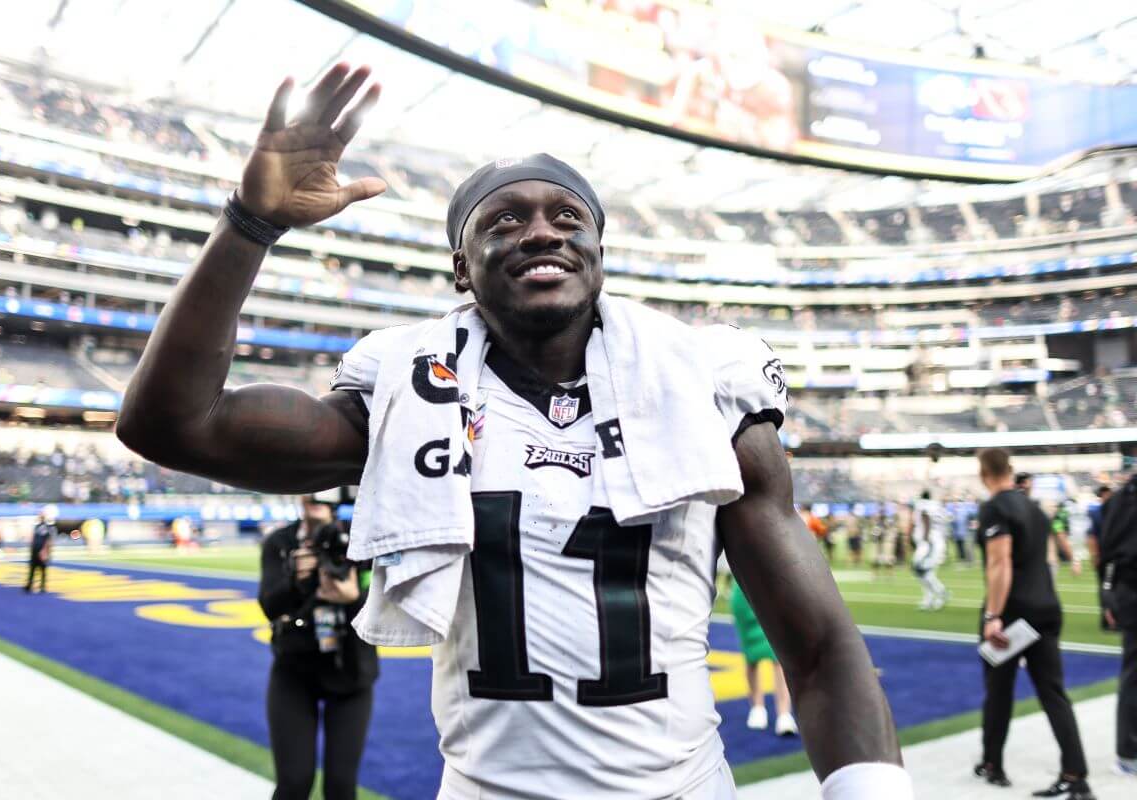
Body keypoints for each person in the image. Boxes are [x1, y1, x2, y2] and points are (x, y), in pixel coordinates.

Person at [117, 63, 909, 799]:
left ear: (599, 253)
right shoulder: (405, 394)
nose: (541, 232)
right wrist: (249, 225)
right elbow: (174, 426)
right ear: (461, 268)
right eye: (504, 220)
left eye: (568, 217)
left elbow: (818, 647)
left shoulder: (703, 389)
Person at [974, 448, 1094, 798]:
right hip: (1046, 606)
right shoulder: (1035, 508)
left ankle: (993, 763)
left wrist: (992, 615)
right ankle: (1075, 775)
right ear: (1010, 470)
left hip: (1013, 612)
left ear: (984, 473)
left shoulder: (995, 507)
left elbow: (1000, 564)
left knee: (999, 690)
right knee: (1053, 693)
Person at [259, 496, 378, 800]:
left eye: (328, 490)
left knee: (341, 786)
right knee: (294, 783)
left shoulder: (363, 538)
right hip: (295, 670)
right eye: (313, 490)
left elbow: (384, 610)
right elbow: (270, 606)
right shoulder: (280, 542)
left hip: (352, 670)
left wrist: (352, 599)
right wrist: (296, 581)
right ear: (301, 493)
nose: (319, 496)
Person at [1096, 473, 1137, 778]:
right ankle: (1128, 754)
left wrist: (1107, 598)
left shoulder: (1119, 498)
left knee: (1132, 675)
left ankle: (1128, 753)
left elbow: (1105, 553)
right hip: (1130, 588)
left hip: (1126, 591)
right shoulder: (1122, 499)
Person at [729, 579, 796, 736]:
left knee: (779, 656)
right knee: (751, 657)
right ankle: (757, 708)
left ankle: (784, 714)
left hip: (772, 590)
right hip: (743, 592)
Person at [912, 490, 950, 611]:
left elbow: (926, 517)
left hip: (929, 543)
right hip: (937, 541)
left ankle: (941, 593)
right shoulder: (937, 506)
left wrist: (926, 539)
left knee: (921, 570)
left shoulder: (923, 505)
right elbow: (944, 525)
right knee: (923, 571)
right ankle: (929, 598)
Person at [24, 505, 56, 594]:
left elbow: (49, 540)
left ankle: (42, 586)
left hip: (42, 551)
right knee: (32, 569)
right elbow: (34, 538)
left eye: (42, 514)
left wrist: (45, 551)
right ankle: (29, 585)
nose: (40, 515)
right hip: (35, 550)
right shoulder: (37, 526)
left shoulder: (49, 527)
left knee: (42, 570)